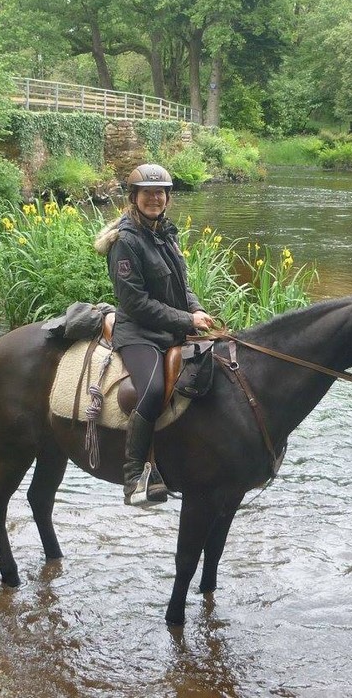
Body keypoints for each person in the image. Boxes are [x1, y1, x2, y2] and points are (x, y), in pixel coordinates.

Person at [94, 163, 215, 506]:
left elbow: (182, 286)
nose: (154, 198)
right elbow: (136, 303)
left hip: (173, 328)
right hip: (140, 332)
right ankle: (134, 475)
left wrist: (197, 311)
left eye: (160, 193)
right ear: (134, 197)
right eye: (147, 193)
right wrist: (186, 320)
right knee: (152, 390)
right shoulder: (126, 242)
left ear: (167, 198)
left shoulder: (166, 233)